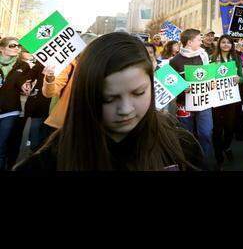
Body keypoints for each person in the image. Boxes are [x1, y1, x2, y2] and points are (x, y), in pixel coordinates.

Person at [14, 33, 206, 171]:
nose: (125, 109)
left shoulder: (183, 147)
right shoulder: (45, 164)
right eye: (108, 98)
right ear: (86, 93)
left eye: (139, 93)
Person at [167, 29, 215, 169]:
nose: (201, 41)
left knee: (206, 133)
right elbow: (170, 84)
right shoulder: (175, 61)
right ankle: (190, 165)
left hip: (203, 102)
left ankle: (205, 163)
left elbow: (210, 76)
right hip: (184, 104)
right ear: (189, 42)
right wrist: (181, 88)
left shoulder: (204, 56)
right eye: (199, 39)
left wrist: (212, 82)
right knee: (187, 137)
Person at [0, 38, 35, 170]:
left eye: (18, 45)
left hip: (10, 110)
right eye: (13, 45)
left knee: (1, 145)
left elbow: (22, 80)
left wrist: (25, 86)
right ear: (2, 49)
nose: (17, 48)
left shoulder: (23, 65)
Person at [209, 34, 243, 169]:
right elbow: (207, 77)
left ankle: (227, 146)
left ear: (232, 45)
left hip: (231, 99)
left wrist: (238, 79)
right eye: (223, 42)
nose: (226, 45)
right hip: (216, 100)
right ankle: (219, 158)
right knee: (217, 129)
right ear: (219, 44)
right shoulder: (212, 58)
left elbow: (242, 77)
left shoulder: (235, 59)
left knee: (230, 128)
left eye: (228, 43)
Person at [20, 50, 51, 154]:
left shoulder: (70, 66)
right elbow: (31, 75)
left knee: (47, 132)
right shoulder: (42, 63)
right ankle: (34, 152)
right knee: (36, 127)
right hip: (40, 103)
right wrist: (27, 82)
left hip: (56, 106)